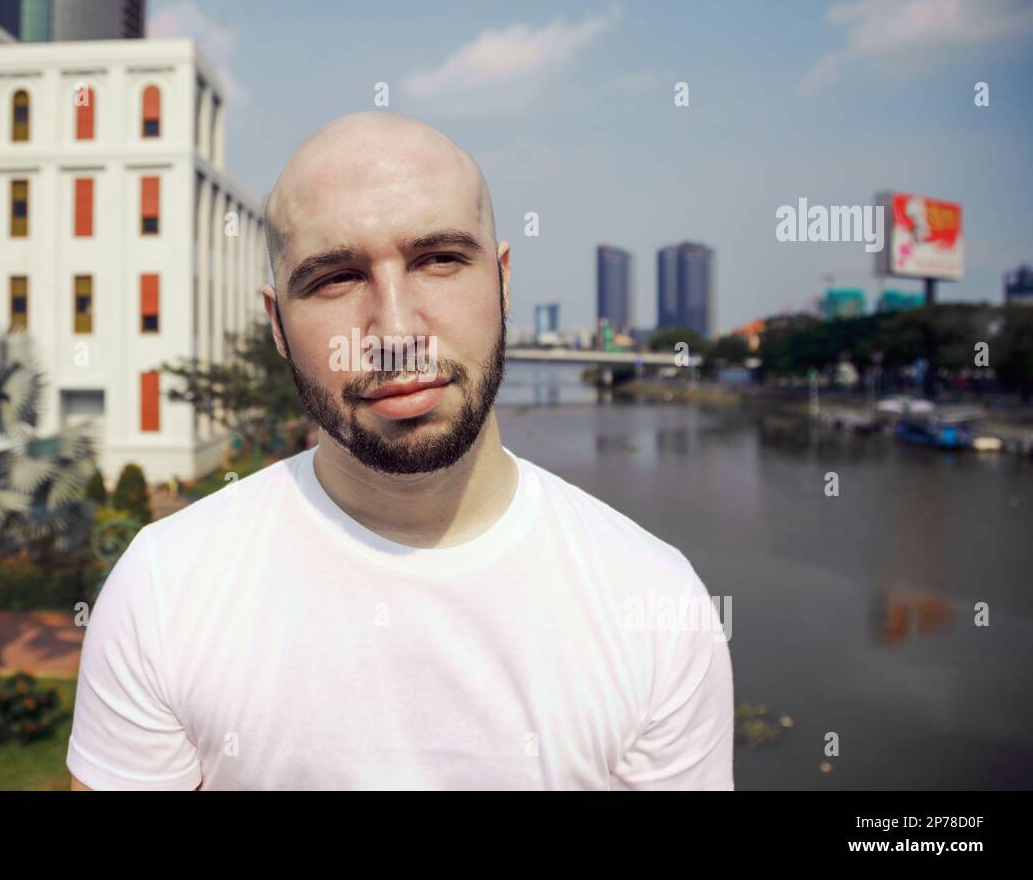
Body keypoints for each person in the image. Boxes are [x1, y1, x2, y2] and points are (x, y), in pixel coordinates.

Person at [67, 111, 734, 790]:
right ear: (276, 324)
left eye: (439, 260)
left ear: (503, 283)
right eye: (336, 278)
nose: (394, 331)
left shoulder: (654, 600)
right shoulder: (164, 589)